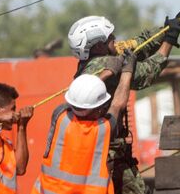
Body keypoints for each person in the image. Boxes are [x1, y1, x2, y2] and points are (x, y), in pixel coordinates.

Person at [67, 11, 180, 194]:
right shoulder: (103, 65)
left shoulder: (93, 61)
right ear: (99, 46)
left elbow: (137, 46)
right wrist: (170, 39)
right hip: (108, 154)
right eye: (110, 37)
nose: (115, 39)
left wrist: (166, 29)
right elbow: (147, 72)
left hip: (109, 152)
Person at [32, 51, 136, 194]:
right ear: (97, 110)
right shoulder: (101, 129)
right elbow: (118, 104)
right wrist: (127, 71)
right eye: (102, 107)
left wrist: (106, 73)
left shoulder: (60, 116)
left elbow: (80, 97)